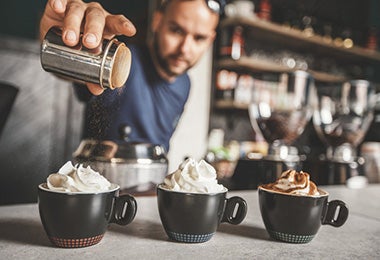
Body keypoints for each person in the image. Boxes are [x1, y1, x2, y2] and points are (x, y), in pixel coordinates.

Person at [40, 0, 224, 152]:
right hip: (101, 187)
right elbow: (76, 75)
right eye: (176, 30)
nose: (185, 48)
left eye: (199, 38)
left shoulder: (184, 84)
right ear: (157, 21)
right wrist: (61, 43)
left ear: (211, 40)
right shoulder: (124, 63)